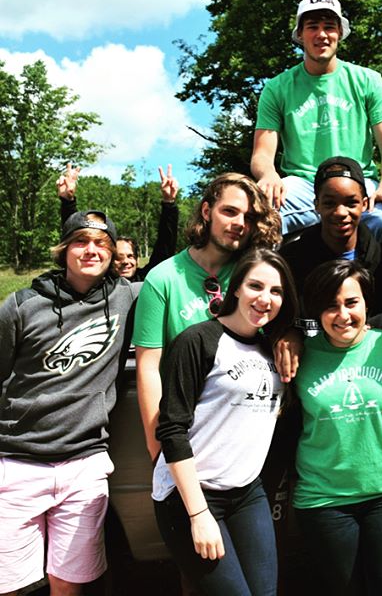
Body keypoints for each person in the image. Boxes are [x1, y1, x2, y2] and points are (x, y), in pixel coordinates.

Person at [0, 211, 139, 596]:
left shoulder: (125, 296)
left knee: (69, 583)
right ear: (64, 250)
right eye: (81, 241)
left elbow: (178, 278)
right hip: (17, 461)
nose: (91, 250)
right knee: (12, 585)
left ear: (113, 254)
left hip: (84, 462)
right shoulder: (21, 306)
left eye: (101, 244)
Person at [152, 249, 297, 595]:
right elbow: (171, 429)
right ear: (235, 288)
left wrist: (295, 335)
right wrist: (198, 515)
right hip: (189, 495)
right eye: (255, 286)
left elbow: (313, 326)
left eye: (276, 291)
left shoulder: (271, 348)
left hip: (246, 493)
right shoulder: (198, 341)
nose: (265, 299)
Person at [292, 260, 382, 595]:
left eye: (351, 303)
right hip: (323, 501)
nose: (342, 315)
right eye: (330, 306)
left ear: (367, 303)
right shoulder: (300, 356)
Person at [132, 172, 282, 462]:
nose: (239, 223)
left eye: (249, 217)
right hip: (187, 438)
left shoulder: (257, 277)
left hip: (249, 442)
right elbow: (148, 369)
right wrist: (157, 449)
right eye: (229, 211)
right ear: (206, 211)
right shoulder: (163, 278)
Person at [251, 0, 382, 249]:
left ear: (340, 32)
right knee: (253, 219)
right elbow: (261, 153)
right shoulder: (277, 88)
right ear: (300, 34)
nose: (322, 34)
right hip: (302, 185)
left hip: (359, 184)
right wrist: (269, 174)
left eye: (329, 27)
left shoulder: (368, 80)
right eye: (312, 27)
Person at [280, 155, 382, 329]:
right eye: (329, 203)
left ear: (364, 204)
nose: (341, 212)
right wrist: (284, 333)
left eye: (351, 203)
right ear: (316, 205)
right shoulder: (289, 262)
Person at [57, 162, 180, 281]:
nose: (125, 262)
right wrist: (68, 201)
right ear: (110, 259)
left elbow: (165, 247)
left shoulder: (145, 281)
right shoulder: (101, 285)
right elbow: (75, 234)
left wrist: (169, 203)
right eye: (118, 257)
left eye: (130, 256)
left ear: (137, 260)